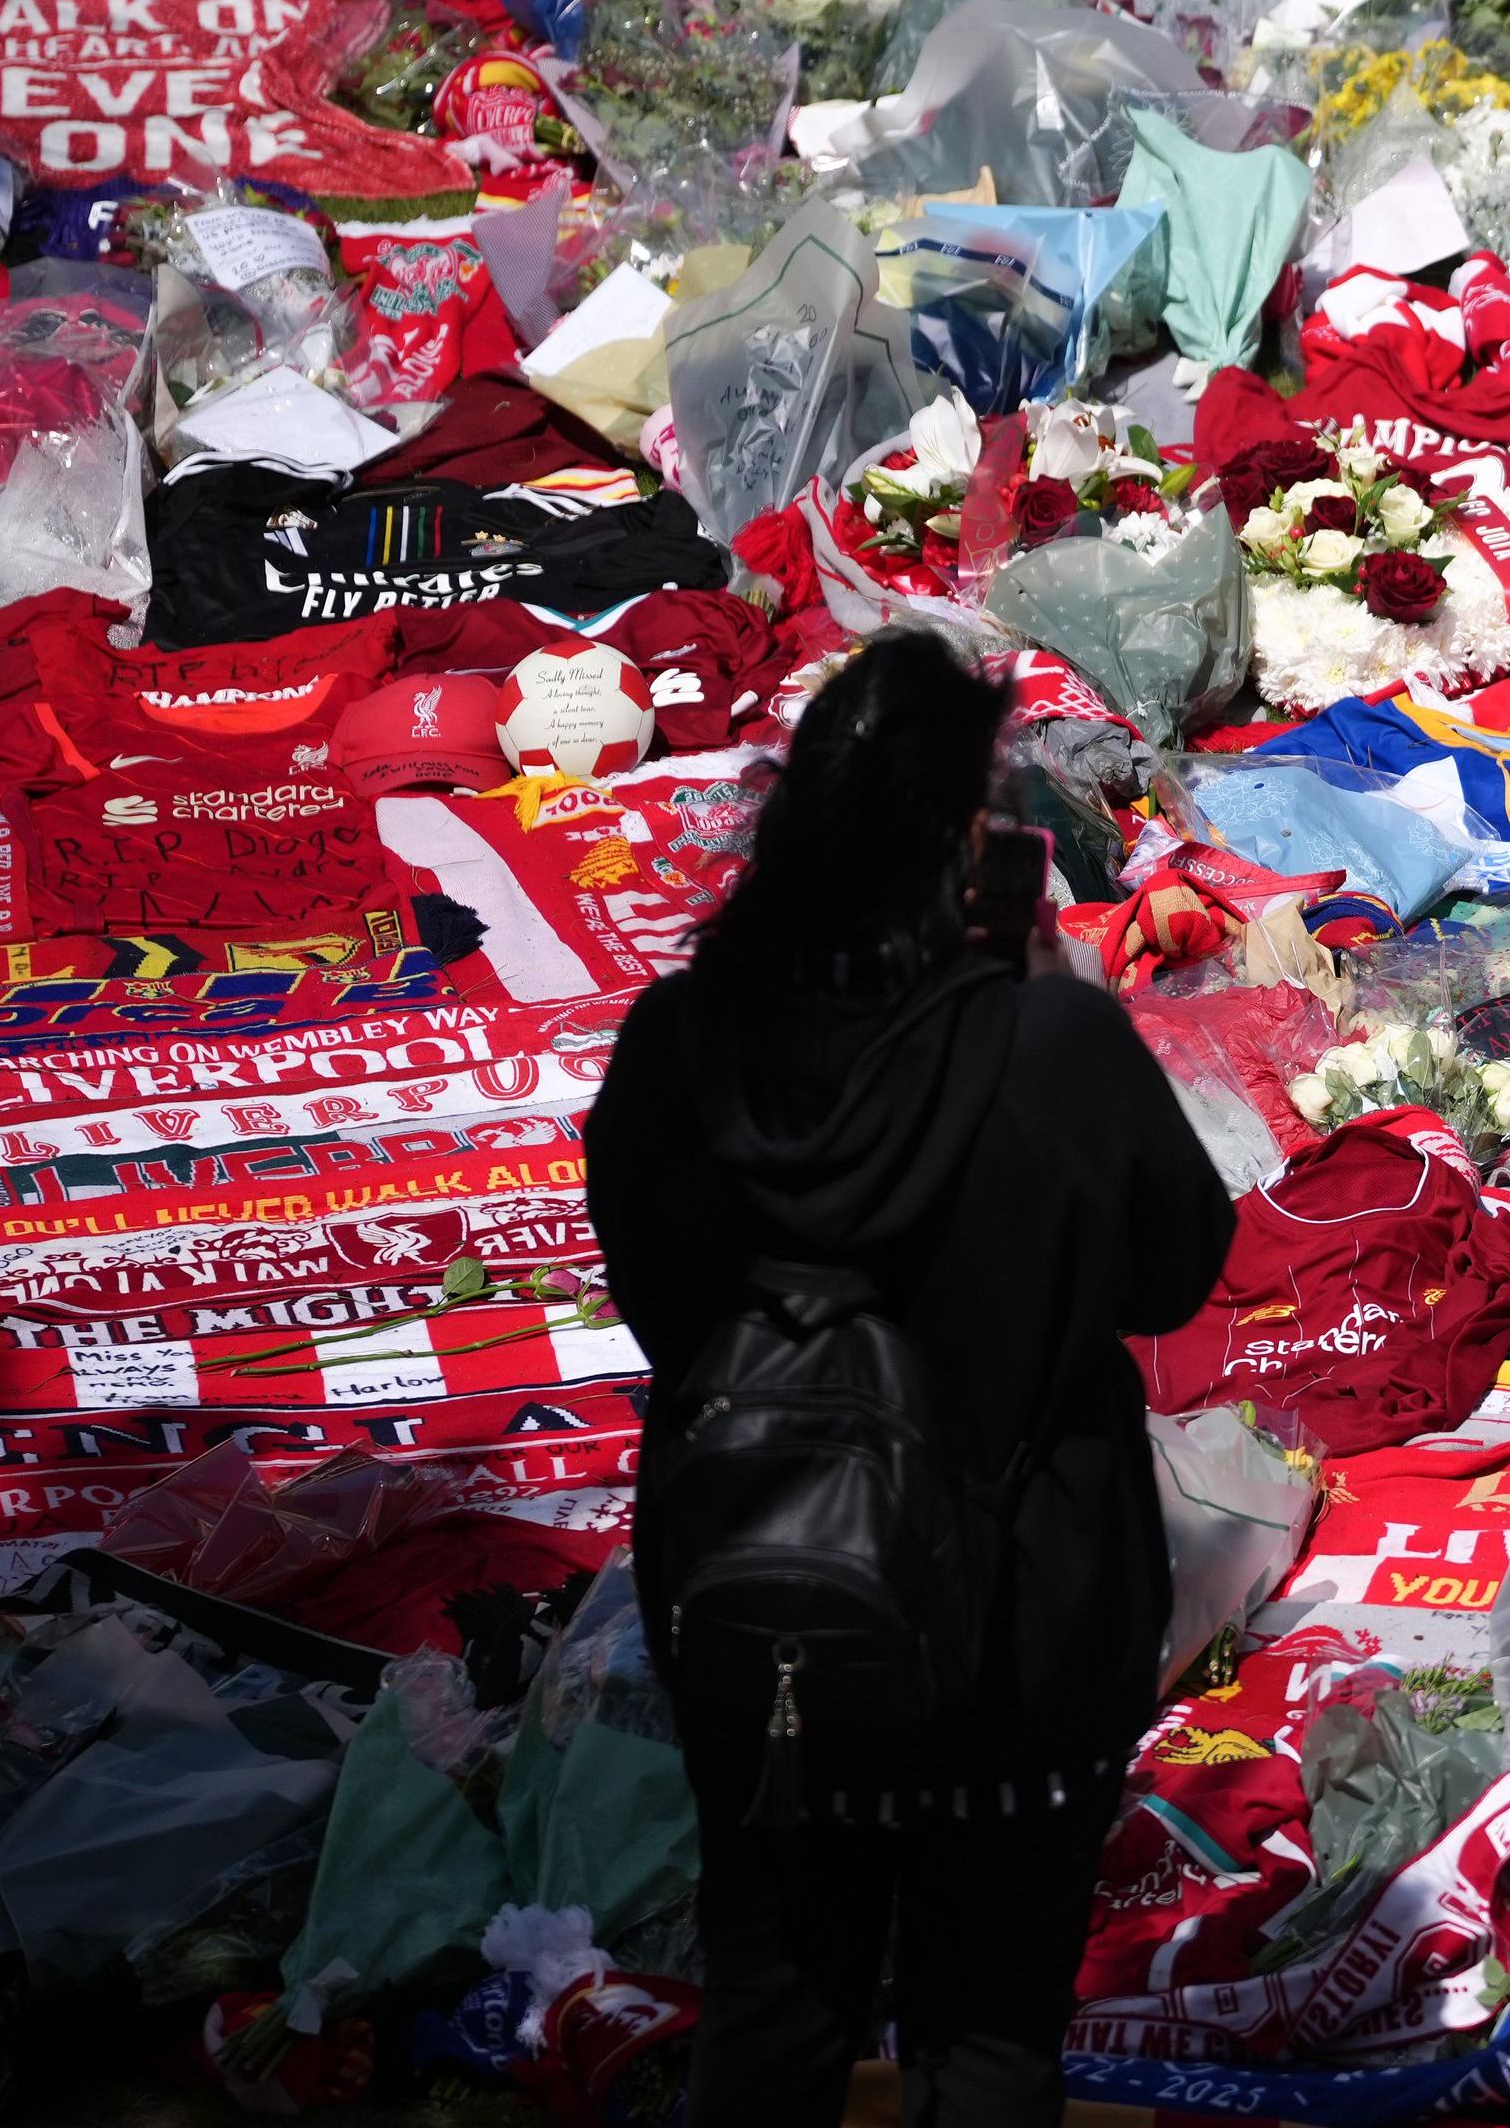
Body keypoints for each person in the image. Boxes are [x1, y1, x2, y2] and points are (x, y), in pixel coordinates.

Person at [587, 630, 1232, 2128]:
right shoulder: (1048, 1039)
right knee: (990, 2030)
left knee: (772, 2004)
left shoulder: (683, 1040)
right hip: (1028, 1615)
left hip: (765, 1596)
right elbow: (1174, 1267)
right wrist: (1035, 1007)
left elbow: (657, 1297)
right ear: (960, 843)